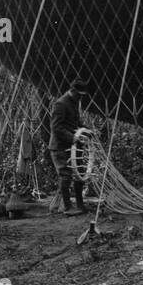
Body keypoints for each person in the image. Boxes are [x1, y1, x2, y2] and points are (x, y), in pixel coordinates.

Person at [49, 78, 91, 215]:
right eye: (79, 95)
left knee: (81, 173)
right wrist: (73, 137)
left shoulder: (74, 102)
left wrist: (86, 130)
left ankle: (80, 205)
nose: (80, 98)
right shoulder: (60, 104)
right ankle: (67, 207)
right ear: (72, 91)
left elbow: (75, 122)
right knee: (65, 175)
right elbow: (56, 127)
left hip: (73, 146)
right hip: (60, 146)